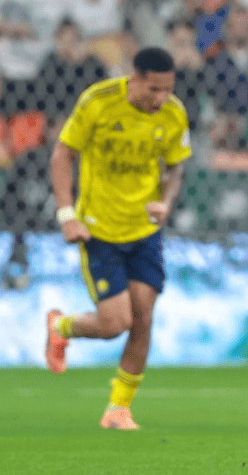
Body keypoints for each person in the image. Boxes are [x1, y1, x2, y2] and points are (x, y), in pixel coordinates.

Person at [44, 47, 192, 430]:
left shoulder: (174, 114)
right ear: (135, 78)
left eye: (168, 89)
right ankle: (60, 327)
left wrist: (165, 201)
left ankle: (118, 409)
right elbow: (62, 155)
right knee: (114, 324)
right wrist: (67, 216)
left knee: (143, 318)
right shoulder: (98, 101)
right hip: (100, 229)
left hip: (144, 231)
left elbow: (176, 166)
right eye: (154, 89)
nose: (161, 98)